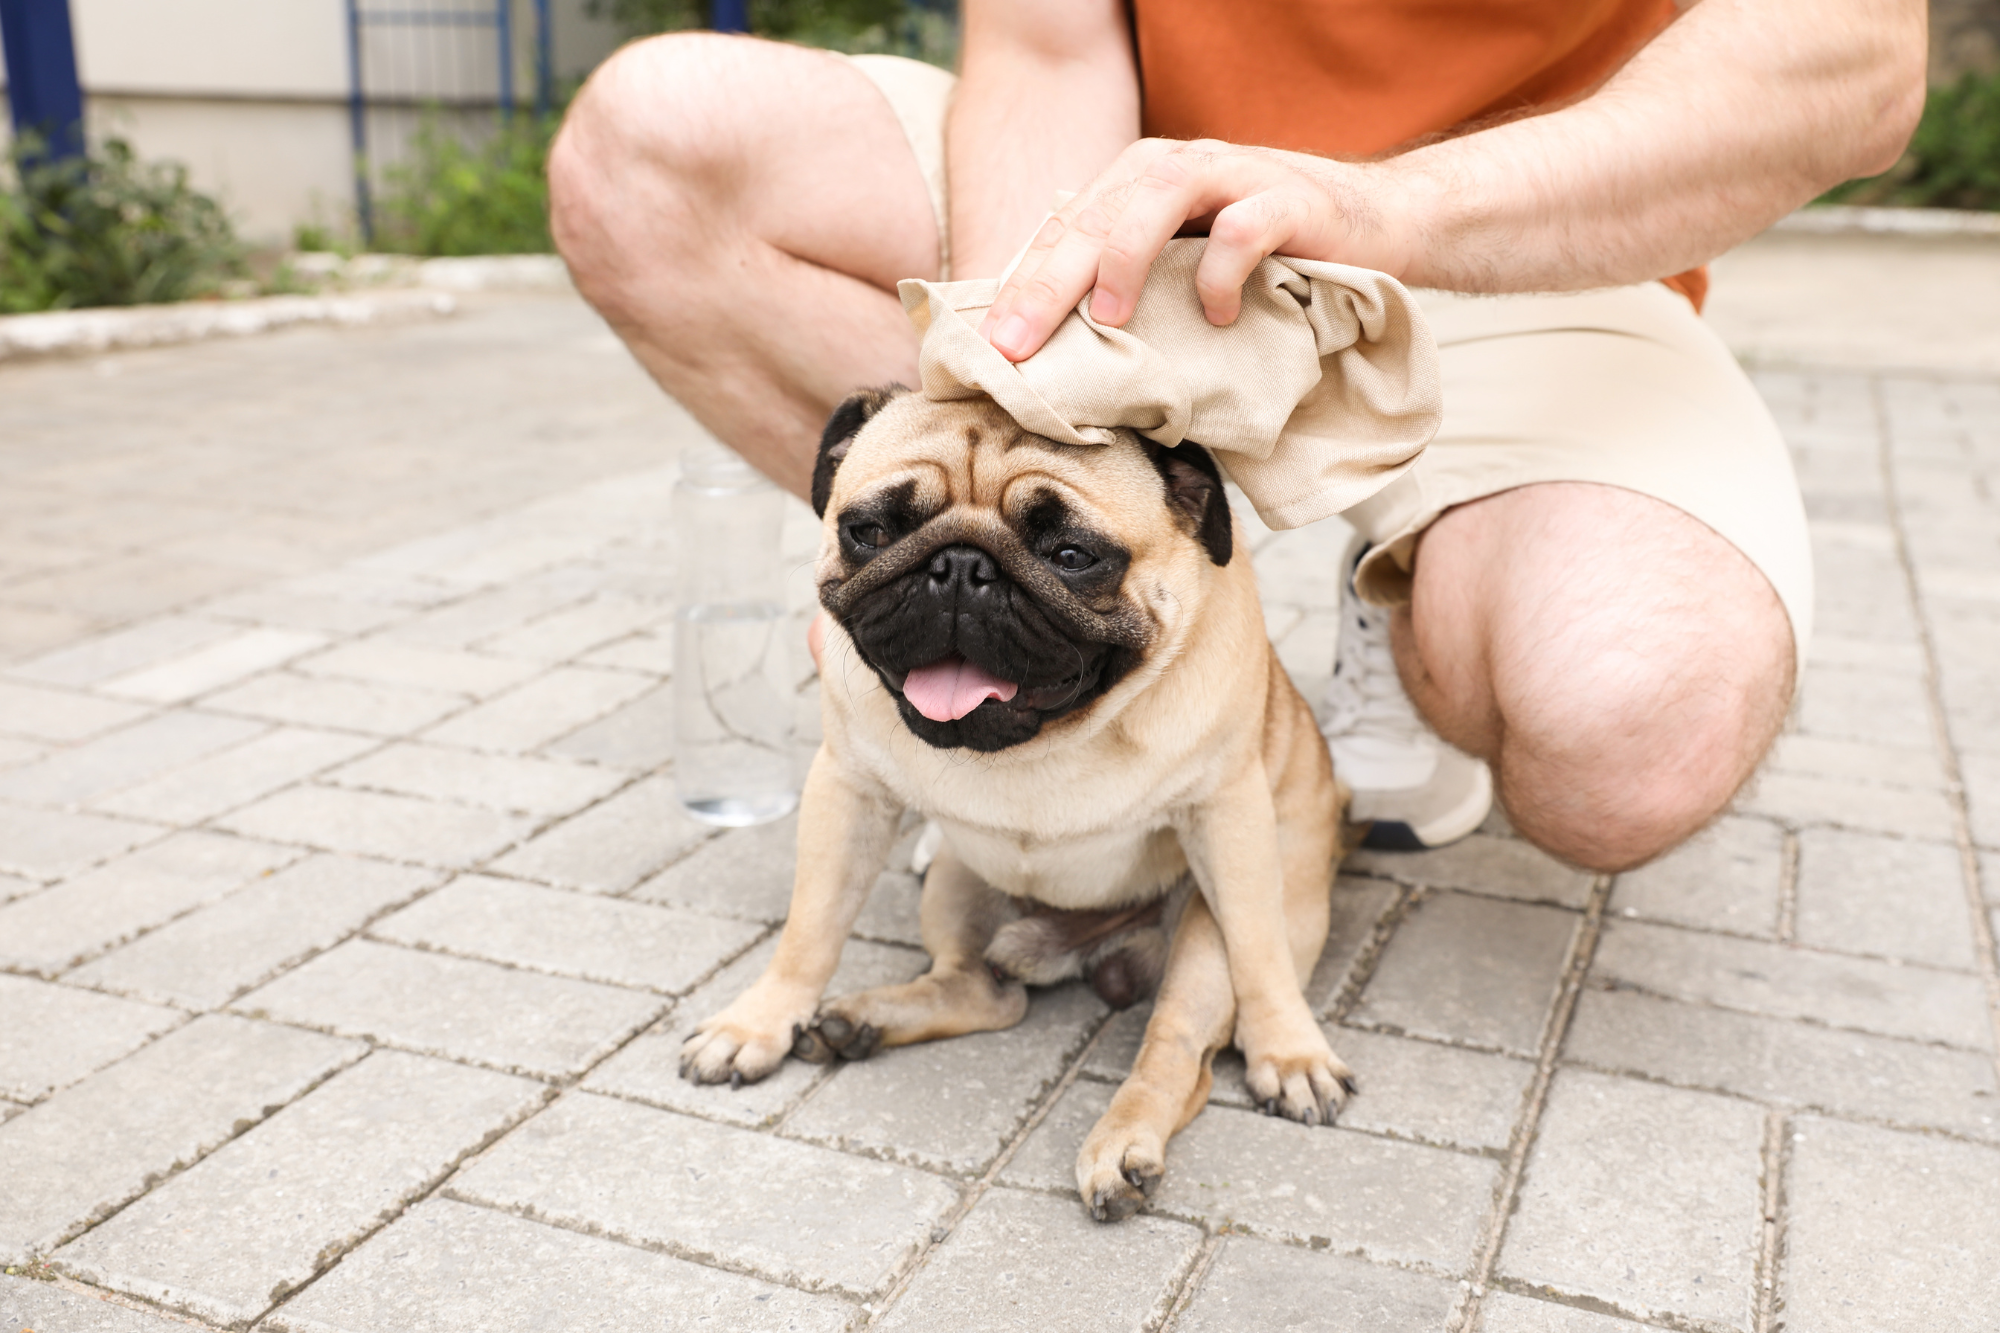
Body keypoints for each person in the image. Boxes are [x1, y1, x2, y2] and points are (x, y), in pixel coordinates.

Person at [547, 0, 1926, 872]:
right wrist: (1011, 402)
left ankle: (1409, 589)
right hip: (1145, 200)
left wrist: (1387, 207)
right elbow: (1045, 42)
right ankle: (1078, 642)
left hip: (1523, 241)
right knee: (650, 149)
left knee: (1633, 739)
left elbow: (1853, 59)